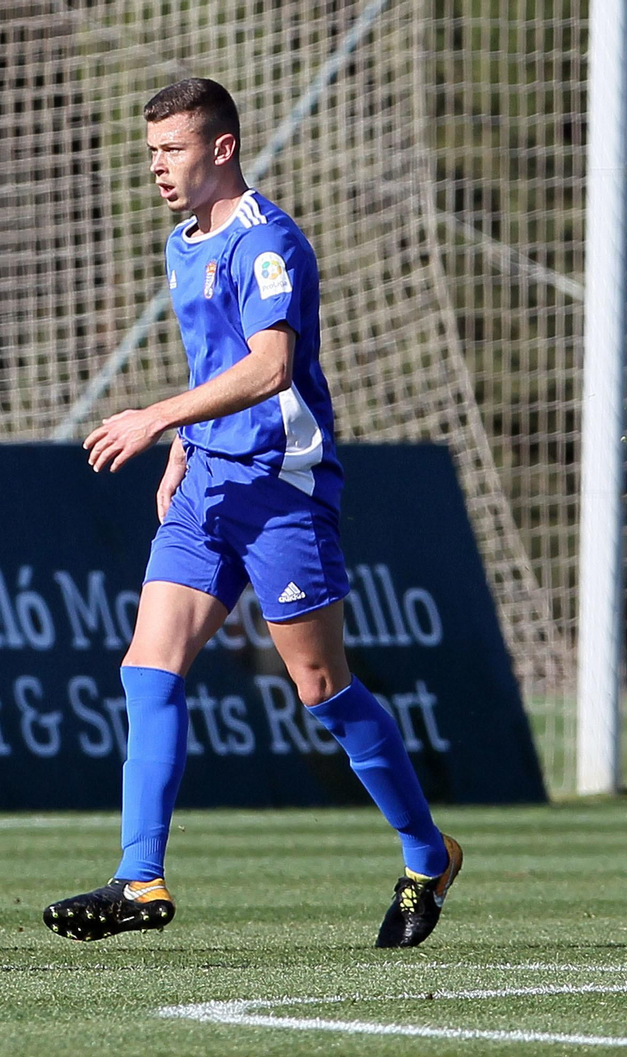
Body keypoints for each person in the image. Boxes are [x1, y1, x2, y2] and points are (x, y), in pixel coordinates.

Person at [43, 79, 461, 949]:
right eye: (151, 151)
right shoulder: (181, 243)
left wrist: (157, 416)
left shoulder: (269, 242)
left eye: (172, 150)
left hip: (281, 491)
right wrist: (184, 450)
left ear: (221, 148)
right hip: (207, 488)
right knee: (148, 667)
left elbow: (271, 366)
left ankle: (428, 853)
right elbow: (215, 358)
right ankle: (140, 877)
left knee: (320, 688)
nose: (157, 167)